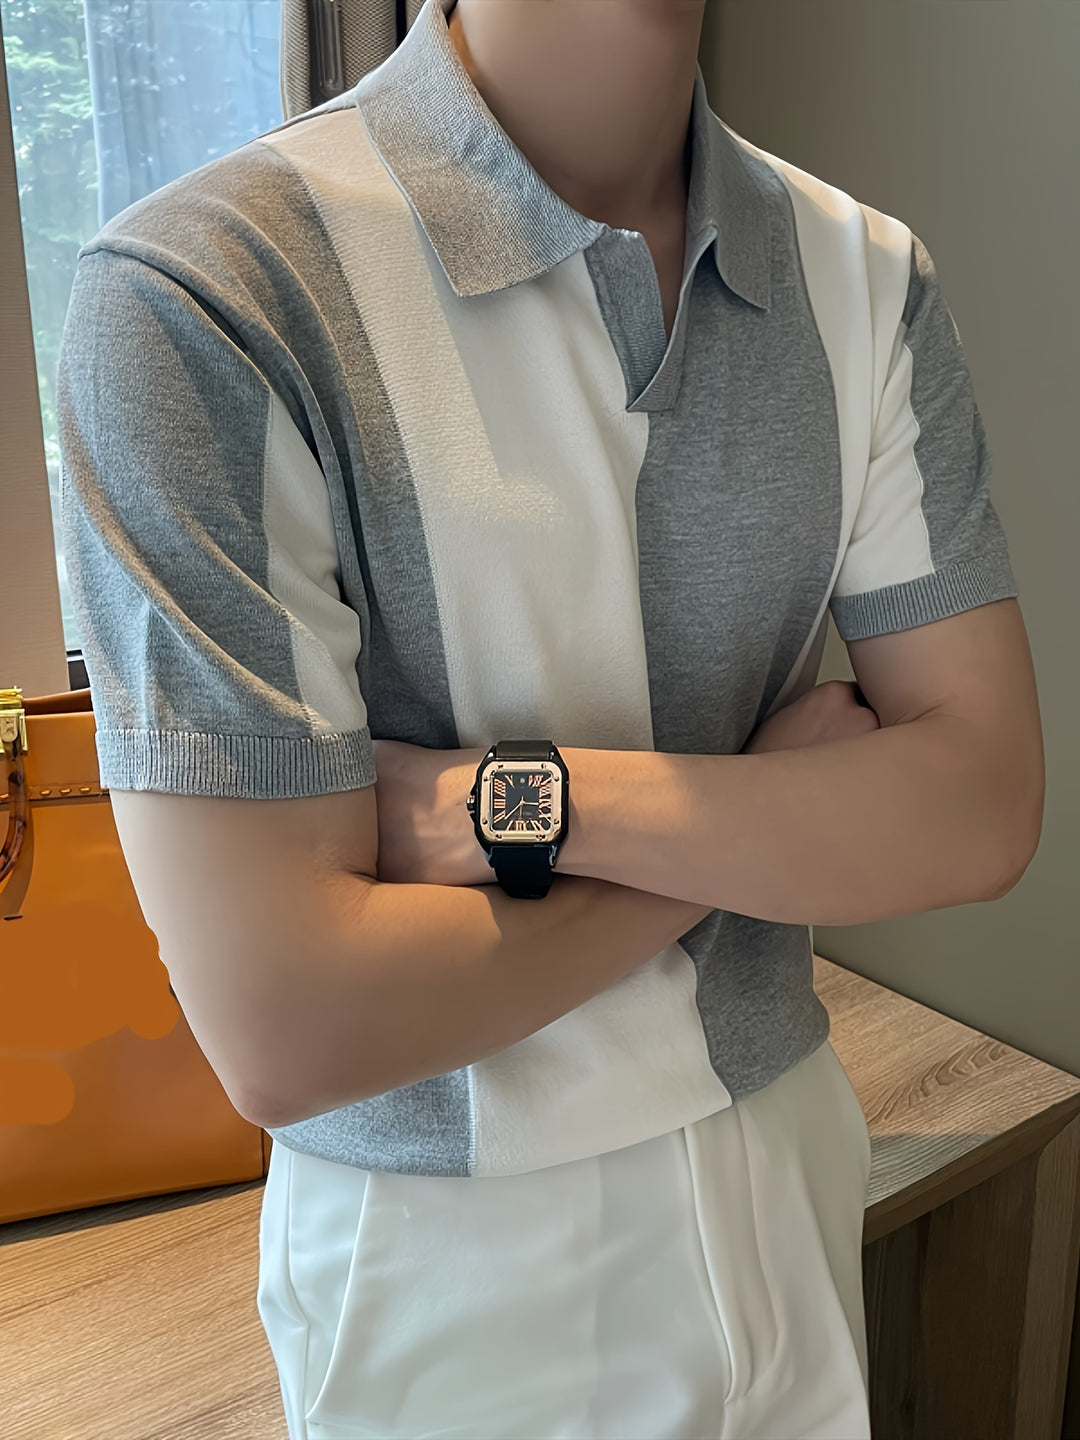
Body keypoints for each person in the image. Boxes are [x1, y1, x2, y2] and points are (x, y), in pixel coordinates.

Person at [57, 0, 1044, 1436]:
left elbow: (981, 805)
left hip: (789, 1169)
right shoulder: (203, 290)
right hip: (446, 1266)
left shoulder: (867, 275)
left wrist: (508, 805)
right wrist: (746, 832)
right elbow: (290, 1026)